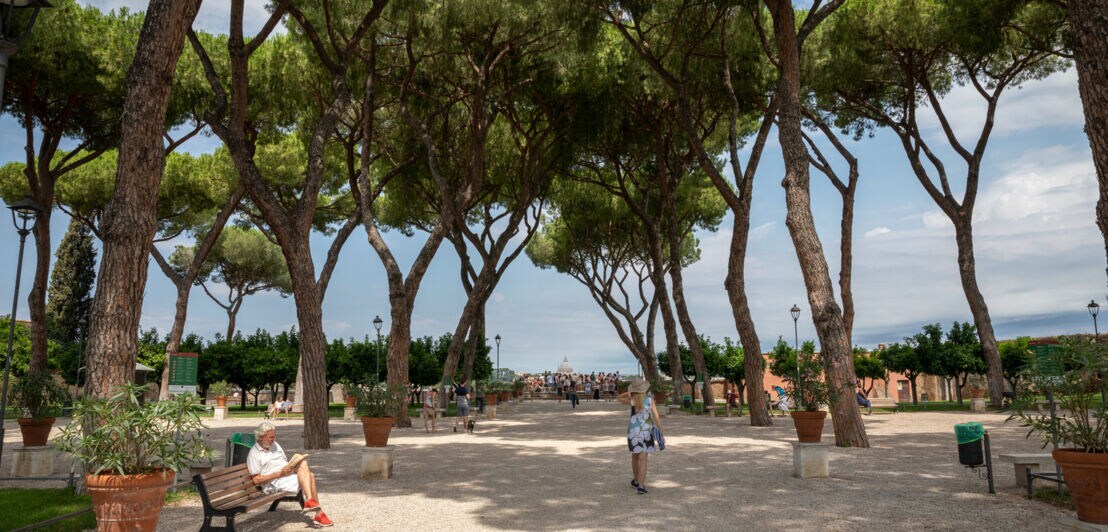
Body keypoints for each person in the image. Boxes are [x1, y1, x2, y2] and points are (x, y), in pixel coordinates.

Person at [247, 422, 333, 527]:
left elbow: (283, 462)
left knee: (303, 463)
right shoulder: (254, 454)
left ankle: (310, 501)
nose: (273, 439)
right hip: (274, 483)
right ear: (261, 437)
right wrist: (279, 473)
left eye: (274, 436)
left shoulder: (275, 445)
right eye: (271, 437)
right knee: (310, 476)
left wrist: (293, 466)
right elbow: (256, 480)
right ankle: (318, 512)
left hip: (285, 475)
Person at [618, 379, 662, 494]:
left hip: (633, 432)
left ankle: (636, 480)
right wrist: (659, 429)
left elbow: (619, 398)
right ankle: (641, 486)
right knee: (644, 459)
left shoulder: (632, 401)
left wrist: (628, 392)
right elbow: (656, 417)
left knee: (634, 457)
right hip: (646, 432)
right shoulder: (650, 401)